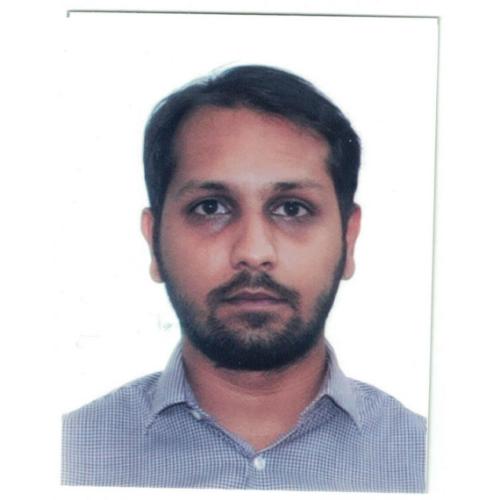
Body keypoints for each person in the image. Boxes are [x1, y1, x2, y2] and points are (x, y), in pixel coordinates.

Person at [61, 65, 426, 492]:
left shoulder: (437, 465)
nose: (253, 252)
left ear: (348, 238)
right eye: (211, 207)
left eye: (292, 209)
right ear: (154, 240)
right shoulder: (59, 461)